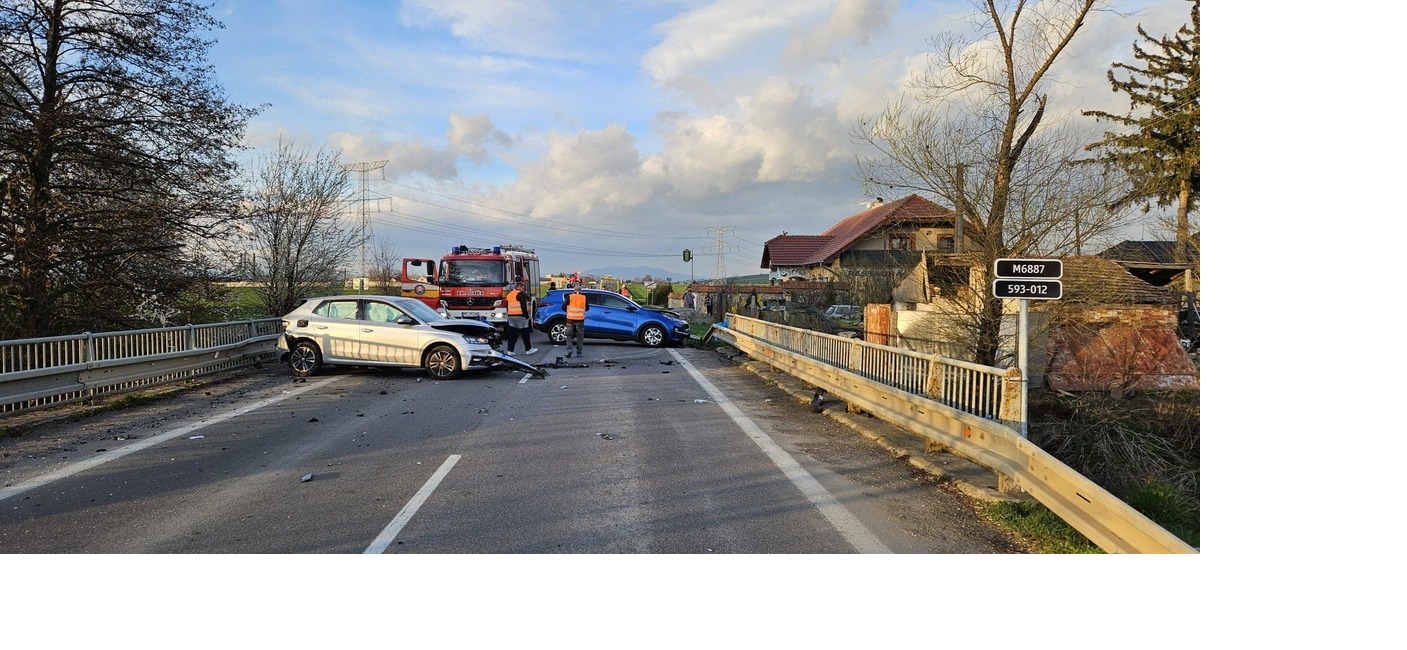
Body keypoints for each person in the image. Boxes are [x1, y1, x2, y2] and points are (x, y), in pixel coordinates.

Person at [503, 281, 537, 356]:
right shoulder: (520, 294)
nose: (523, 289)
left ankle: (510, 350)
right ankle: (528, 349)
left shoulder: (509, 295)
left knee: (512, 334)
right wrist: (527, 317)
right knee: (525, 333)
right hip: (520, 316)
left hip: (511, 316)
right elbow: (523, 306)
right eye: (523, 288)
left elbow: (507, 305)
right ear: (520, 287)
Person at [564, 283, 588, 358]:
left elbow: (563, 306)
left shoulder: (569, 297)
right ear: (580, 291)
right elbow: (587, 308)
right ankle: (579, 352)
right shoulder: (583, 297)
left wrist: (568, 311)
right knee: (580, 337)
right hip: (580, 320)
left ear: (573, 290)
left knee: (569, 335)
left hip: (570, 319)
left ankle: (569, 350)